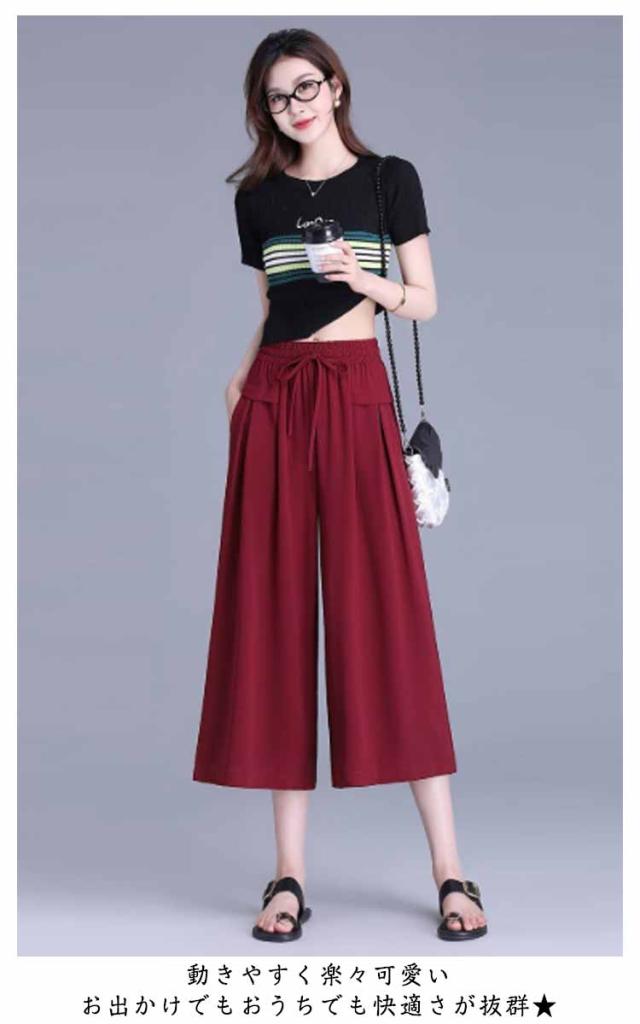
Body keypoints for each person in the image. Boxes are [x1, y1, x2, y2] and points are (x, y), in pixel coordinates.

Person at [192, 27, 488, 943]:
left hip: (357, 393)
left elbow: (426, 299)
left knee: (389, 617)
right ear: (264, 110)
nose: (296, 106)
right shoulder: (258, 198)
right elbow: (272, 306)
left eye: (307, 86)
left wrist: (368, 277)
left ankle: (450, 871)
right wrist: (240, 382)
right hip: (275, 397)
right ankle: (287, 875)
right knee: (275, 619)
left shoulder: (389, 179)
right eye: (277, 96)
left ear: (336, 85)